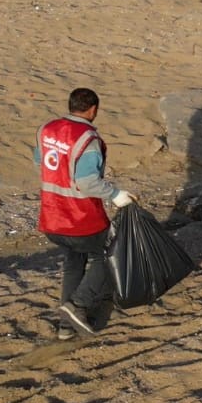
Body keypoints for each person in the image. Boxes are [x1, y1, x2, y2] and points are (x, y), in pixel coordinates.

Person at [35, 88, 135, 339]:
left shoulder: (46, 129)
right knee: (109, 255)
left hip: (52, 216)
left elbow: (41, 162)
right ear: (93, 110)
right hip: (80, 217)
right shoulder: (87, 139)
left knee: (73, 263)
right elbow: (88, 181)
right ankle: (78, 305)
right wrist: (117, 195)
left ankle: (66, 328)